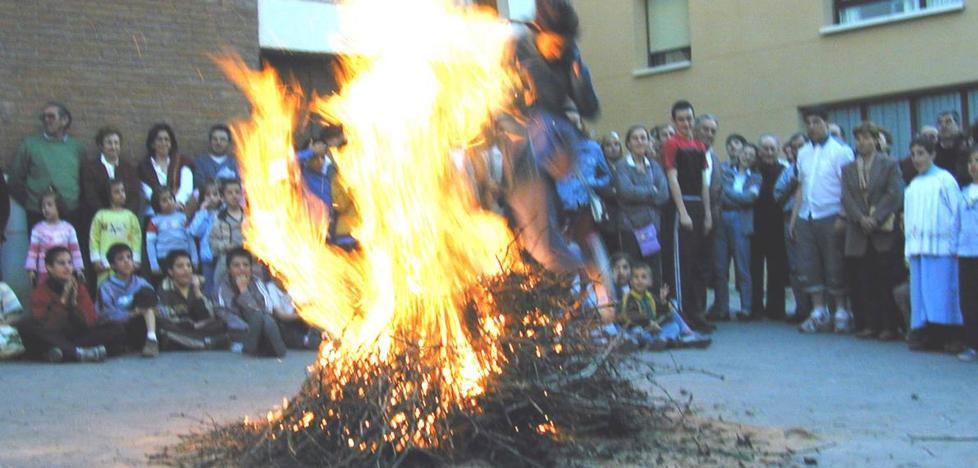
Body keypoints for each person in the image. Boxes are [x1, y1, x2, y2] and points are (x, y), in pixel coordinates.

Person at [497, 0, 599, 274]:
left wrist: (579, 78)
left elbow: (590, 109)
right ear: (537, 32)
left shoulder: (570, 58)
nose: (557, 53)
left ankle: (584, 271)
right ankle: (574, 266)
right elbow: (496, 103)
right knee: (540, 243)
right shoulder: (516, 50)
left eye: (563, 47)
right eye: (553, 45)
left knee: (543, 125)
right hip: (519, 142)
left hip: (555, 135)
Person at [790, 108, 854, 334]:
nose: (811, 126)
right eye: (807, 123)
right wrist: (794, 218)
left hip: (831, 214)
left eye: (816, 122)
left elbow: (848, 187)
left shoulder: (841, 151)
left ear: (827, 123)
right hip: (806, 215)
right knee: (810, 264)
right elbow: (801, 186)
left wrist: (843, 216)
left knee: (834, 263)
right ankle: (818, 311)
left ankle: (841, 312)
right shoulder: (803, 152)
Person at [841, 122, 905, 340]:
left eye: (867, 138)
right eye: (858, 138)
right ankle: (868, 323)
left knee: (884, 280)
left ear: (876, 140)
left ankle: (889, 325)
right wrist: (861, 218)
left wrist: (875, 218)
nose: (862, 142)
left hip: (882, 229)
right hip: (858, 231)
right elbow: (847, 197)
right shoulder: (848, 168)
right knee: (863, 280)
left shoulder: (889, 164)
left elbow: (894, 194)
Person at [904, 136, 964, 352]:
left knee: (944, 292)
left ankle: (952, 335)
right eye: (913, 154)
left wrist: (955, 244)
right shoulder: (913, 185)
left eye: (921, 153)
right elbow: (909, 218)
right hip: (919, 248)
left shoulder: (945, 179)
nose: (916, 158)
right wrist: (908, 250)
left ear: (932, 155)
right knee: (924, 294)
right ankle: (929, 333)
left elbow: (956, 212)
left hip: (942, 248)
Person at [661, 100, 714, 333]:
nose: (685, 123)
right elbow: (673, 179)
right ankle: (681, 316)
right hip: (680, 210)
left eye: (689, 118)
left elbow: (704, 183)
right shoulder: (671, 145)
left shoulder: (700, 146)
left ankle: (698, 312)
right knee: (682, 264)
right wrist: (682, 212)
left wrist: (708, 213)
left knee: (699, 265)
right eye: (681, 119)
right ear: (674, 121)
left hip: (699, 206)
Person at [555, 108, 614, 306]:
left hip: (585, 214)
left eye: (576, 122)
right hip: (562, 215)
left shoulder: (592, 148)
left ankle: (603, 310)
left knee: (595, 264)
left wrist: (590, 182)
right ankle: (574, 311)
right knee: (569, 268)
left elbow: (607, 177)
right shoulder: (552, 151)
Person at [14, 247, 111, 362]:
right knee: (26, 325)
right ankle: (76, 353)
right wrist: (63, 301)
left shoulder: (79, 287)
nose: (67, 267)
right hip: (53, 335)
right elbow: (47, 324)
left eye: (70, 263)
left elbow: (89, 322)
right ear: (49, 268)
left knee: (115, 327)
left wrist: (73, 305)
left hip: (77, 335)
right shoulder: (40, 292)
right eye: (61, 263)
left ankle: (63, 352)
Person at [9, 102, 87, 229]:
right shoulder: (29, 145)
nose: (46, 120)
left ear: (64, 120)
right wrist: (31, 203)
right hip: (38, 213)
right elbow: (15, 180)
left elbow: (84, 180)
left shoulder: (77, 148)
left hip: (70, 212)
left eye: (51, 116)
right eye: (43, 117)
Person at [613, 125, 670, 285]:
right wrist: (651, 190)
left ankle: (653, 305)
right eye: (635, 138)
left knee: (651, 270)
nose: (639, 141)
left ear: (648, 141)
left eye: (643, 138)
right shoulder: (622, 166)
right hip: (629, 226)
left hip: (650, 228)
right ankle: (631, 308)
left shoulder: (654, 166)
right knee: (630, 269)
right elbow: (626, 192)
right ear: (628, 143)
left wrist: (640, 193)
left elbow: (663, 195)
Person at [713, 143, 761, 321]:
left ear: (755, 159)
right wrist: (740, 199)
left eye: (751, 155)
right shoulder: (726, 171)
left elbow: (750, 199)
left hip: (741, 222)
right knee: (720, 267)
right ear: (739, 154)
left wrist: (731, 195)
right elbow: (722, 194)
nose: (747, 157)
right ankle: (722, 308)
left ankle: (746, 308)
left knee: (743, 267)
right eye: (745, 153)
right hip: (722, 220)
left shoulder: (756, 178)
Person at [213, 247, 288, 357]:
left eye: (246, 265)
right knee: (259, 317)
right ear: (229, 269)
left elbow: (267, 308)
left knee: (265, 318)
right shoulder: (221, 287)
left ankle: (275, 350)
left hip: (260, 326)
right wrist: (243, 292)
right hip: (237, 333)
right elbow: (227, 316)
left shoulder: (257, 282)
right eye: (236, 265)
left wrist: (245, 292)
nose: (242, 269)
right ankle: (264, 348)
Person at [156, 250, 228, 351]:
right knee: (164, 329)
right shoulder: (165, 288)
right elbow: (166, 316)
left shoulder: (196, 286)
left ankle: (197, 342)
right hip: (179, 328)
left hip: (198, 328)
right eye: (180, 266)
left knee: (221, 323)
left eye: (188, 265)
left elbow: (208, 315)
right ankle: (203, 343)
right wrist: (192, 325)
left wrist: (197, 291)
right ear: (170, 271)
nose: (186, 269)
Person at [750, 134, 789, 321]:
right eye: (765, 148)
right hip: (754, 226)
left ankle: (776, 309)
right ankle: (756, 307)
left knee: (776, 269)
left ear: (778, 150)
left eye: (773, 148)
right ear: (759, 150)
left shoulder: (784, 170)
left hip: (776, 226)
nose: (769, 152)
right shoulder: (751, 169)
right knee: (755, 269)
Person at [97, 243, 160, 357]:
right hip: (123, 327)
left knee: (146, 295)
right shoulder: (106, 287)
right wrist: (132, 313)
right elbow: (105, 314)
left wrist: (153, 311)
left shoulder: (141, 283)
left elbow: (157, 305)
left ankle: (151, 339)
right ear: (112, 265)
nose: (126, 261)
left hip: (142, 325)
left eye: (129, 257)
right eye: (121, 259)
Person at [775, 132, 812, 323]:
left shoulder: (817, 165)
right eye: (795, 147)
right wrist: (794, 181)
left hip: (817, 216)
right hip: (792, 219)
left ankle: (820, 309)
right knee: (797, 267)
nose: (799, 150)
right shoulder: (789, 170)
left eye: (802, 145)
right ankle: (802, 308)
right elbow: (777, 197)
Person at [25, 189, 84, 287]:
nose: (46, 209)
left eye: (49, 205)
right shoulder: (38, 229)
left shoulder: (68, 228)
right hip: (44, 273)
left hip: (65, 272)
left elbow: (75, 251)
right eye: (43, 206)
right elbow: (33, 252)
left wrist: (78, 268)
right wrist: (31, 270)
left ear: (58, 206)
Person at [617, 262, 681, 350]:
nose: (639, 280)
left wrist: (663, 302)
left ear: (650, 282)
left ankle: (660, 340)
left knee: (674, 326)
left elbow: (663, 312)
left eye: (643, 277)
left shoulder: (650, 297)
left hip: (652, 330)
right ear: (631, 282)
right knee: (636, 331)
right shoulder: (629, 297)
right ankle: (635, 342)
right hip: (637, 327)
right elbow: (631, 314)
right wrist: (648, 322)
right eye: (636, 277)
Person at [90, 180, 142, 285]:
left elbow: (137, 238)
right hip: (105, 265)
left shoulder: (130, 216)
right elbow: (94, 238)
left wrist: (136, 259)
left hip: (126, 264)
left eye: (123, 191)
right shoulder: (101, 215)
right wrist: (96, 259)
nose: (121, 194)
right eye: (117, 192)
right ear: (109, 195)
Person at [80, 127, 142, 215]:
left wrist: (125, 214)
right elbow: (91, 196)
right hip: (99, 218)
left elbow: (135, 196)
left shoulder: (129, 168)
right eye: (109, 143)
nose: (113, 147)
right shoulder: (90, 168)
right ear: (101, 146)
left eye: (116, 143)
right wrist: (106, 215)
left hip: (125, 218)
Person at [138, 123, 194, 215]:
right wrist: (163, 205)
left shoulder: (182, 162)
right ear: (152, 144)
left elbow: (186, 189)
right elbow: (147, 191)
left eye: (166, 140)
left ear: (171, 143)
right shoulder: (144, 167)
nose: (163, 143)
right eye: (159, 140)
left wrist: (174, 204)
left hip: (179, 210)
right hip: (154, 212)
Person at [146, 188, 198, 278]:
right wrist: (154, 264)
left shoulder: (183, 218)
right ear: (157, 204)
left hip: (184, 256)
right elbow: (150, 243)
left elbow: (190, 239)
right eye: (164, 200)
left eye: (171, 198)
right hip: (164, 259)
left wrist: (194, 258)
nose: (169, 202)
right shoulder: (154, 221)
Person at [957, 148, 978, 361]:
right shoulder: (963, 193)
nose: (973, 165)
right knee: (969, 301)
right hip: (966, 254)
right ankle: (972, 344)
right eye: (971, 161)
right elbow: (956, 224)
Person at [209, 179, 245, 287]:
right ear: (223, 197)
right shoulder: (219, 219)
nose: (234, 195)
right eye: (230, 193)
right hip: (227, 259)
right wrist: (225, 246)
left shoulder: (249, 216)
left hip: (247, 259)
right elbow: (212, 242)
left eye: (237, 192)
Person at [189, 181, 222, 296]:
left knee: (221, 285)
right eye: (208, 195)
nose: (211, 198)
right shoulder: (201, 214)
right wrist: (202, 212)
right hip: (207, 256)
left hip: (221, 255)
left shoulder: (223, 213)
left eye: (215, 194)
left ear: (221, 197)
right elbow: (194, 231)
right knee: (208, 287)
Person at [193, 124, 239, 190]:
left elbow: (238, 185)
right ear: (210, 141)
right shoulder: (200, 162)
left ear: (228, 143)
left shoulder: (235, 164)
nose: (218, 143)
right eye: (215, 139)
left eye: (223, 139)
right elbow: (199, 184)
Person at [935, 111, 971, 186]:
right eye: (940, 123)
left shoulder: (969, 148)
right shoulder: (933, 152)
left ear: (958, 126)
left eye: (948, 122)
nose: (943, 126)